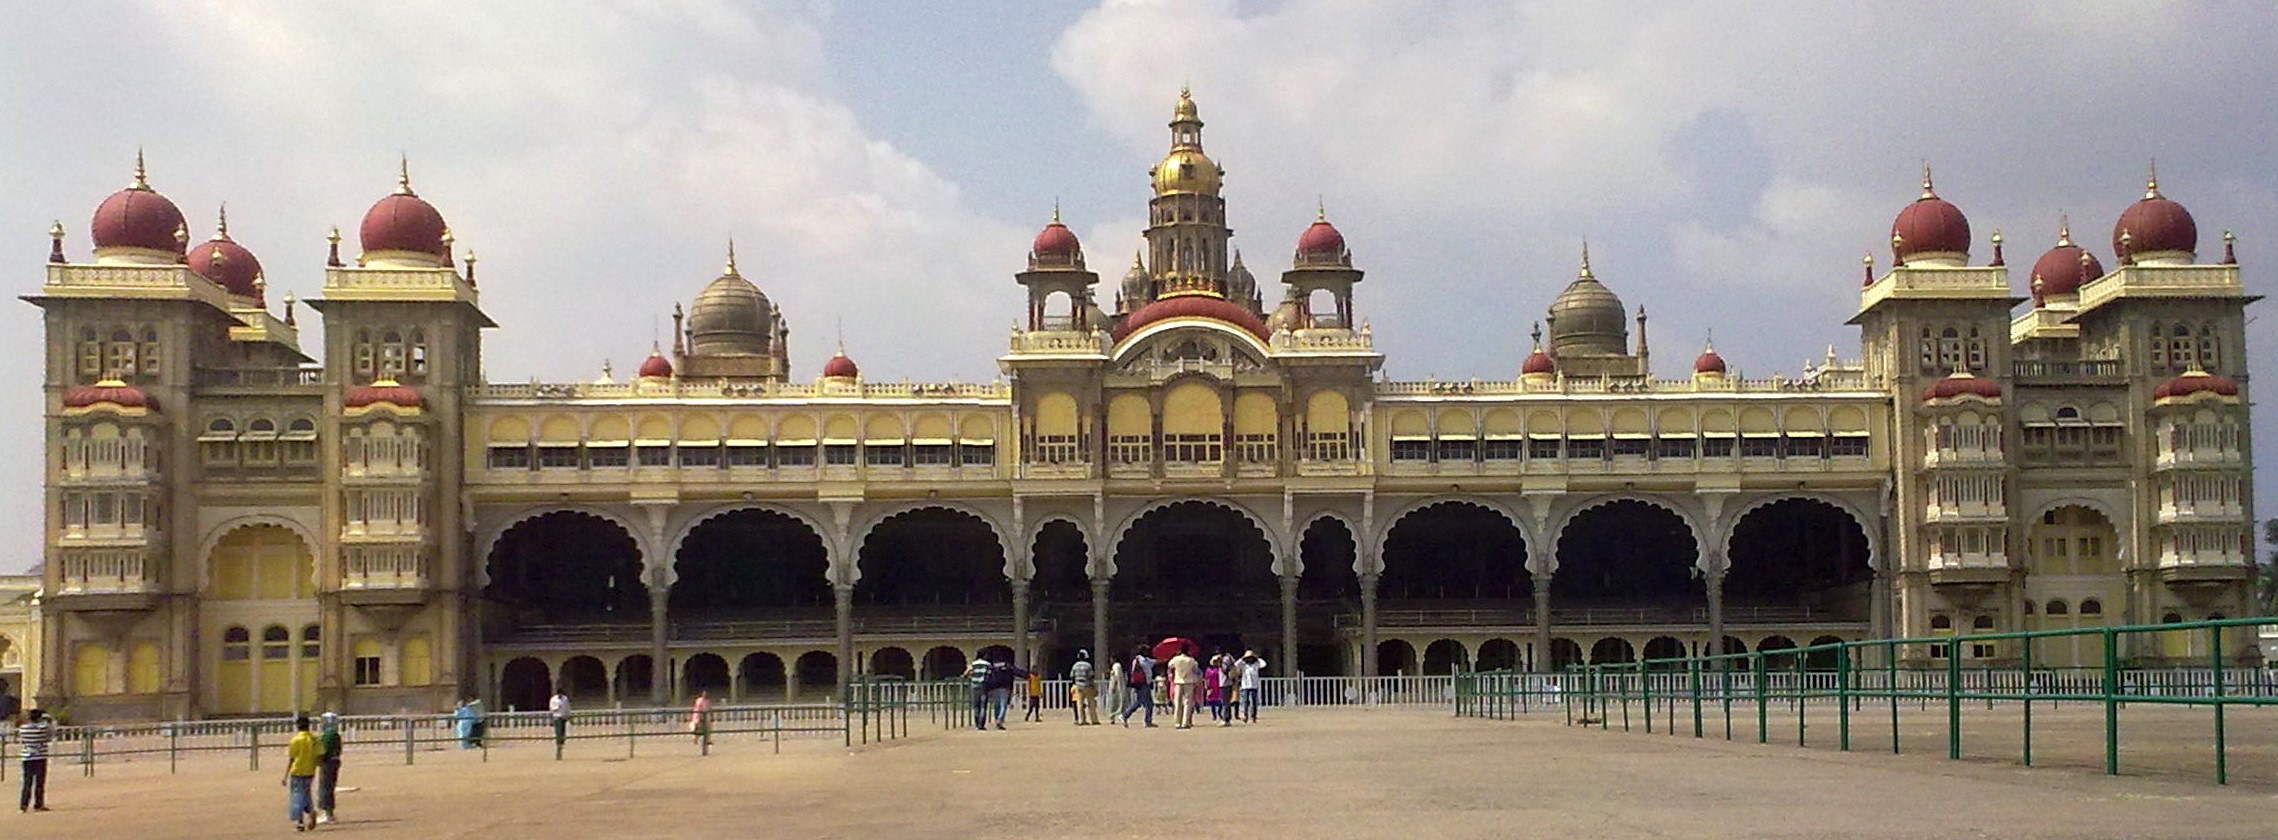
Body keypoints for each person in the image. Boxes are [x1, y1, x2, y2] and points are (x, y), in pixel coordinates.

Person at [283, 715, 320, 832]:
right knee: (306, 793)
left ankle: (300, 821)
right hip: (310, 771)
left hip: (297, 771)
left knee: (297, 796)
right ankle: (311, 811)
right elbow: (319, 754)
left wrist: (285, 775)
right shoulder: (314, 739)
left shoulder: (295, 740)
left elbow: (291, 759)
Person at [17, 708, 49, 813]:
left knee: (27, 782)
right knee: (40, 782)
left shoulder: (23, 729)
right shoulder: (42, 728)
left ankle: (23, 805)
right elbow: (51, 734)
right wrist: (47, 720)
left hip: (27, 757)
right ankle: (38, 804)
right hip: (40, 756)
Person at [314, 712, 343, 824]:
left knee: (325, 787)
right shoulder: (335, 734)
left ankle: (328, 814)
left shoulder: (328, 734)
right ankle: (328, 813)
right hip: (334, 761)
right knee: (328, 787)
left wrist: (317, 759)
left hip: (327, 762)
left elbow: (323, 750)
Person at [1117, 646, 1156, 727]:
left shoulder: (1146, 660)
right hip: (1142, 683)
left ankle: (1147, 721)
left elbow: (1155, 662)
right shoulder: (1140, 660)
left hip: (1145, 683)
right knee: (1140, 702)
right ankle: (1125, 715)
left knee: (1148, 703)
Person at [1167, 646, 1201, 729]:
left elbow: (1170, 666)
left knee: (1177, 702)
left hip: (1178, 681)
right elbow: (1196, 670)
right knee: (1187, 702)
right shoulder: (1191, 660)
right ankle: (1185, 722)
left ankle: (1177, 722)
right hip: (1189, 681)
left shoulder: (1175, 659)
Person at [1068, 650, 1098, 725]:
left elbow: (1072, 676)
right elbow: (1091, 676)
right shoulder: (1088, 665)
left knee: (1080, 704)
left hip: (1078, 686)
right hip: (1087, 685)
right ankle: (1094, 720)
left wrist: (1075, 683)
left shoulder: (1075, 665)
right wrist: (1093, 685)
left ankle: (1082, 720)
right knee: (1091, 703)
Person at [983, 661, 1016, 729]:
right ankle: (1000, 720)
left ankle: (997, 720)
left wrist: (989, 688)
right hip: (1004, 687)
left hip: (995, 687)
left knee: (996, 705)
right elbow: (1014, 672)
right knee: (1003, 705)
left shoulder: (993, 666)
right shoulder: (1007, 665)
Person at [1236, 650, 1267, 723]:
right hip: (1245, 686)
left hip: (1254, 685)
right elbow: (1236, 664)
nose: (1249, 659)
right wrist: (1242, 658)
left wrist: (1257, 658)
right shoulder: (1243, 665)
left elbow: (1264, 664)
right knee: (1245, 701)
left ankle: (1253, 716)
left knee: (1254, 702)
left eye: (1250, 657)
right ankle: (1245, 715)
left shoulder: (1256, 664)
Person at [964, 657, 991, 731]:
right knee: (983, 706)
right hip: (984, 686)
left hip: (974, 685)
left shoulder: (973, 664)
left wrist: (971, 676)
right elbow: (990, 674)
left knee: (976, 706)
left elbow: (966, 673)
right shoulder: (987, 664)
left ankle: (976, 724)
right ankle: (981, 724)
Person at [1203, 655, 1228, 726]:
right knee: (1211, 701)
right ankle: (1213, 714)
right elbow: (1206, 678)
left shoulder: (1219, 669)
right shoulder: (1208, 670)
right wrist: (1206, 686)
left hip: (1218, 686)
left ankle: (1219, 713)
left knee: (1220, 701)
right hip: (1211, 686)